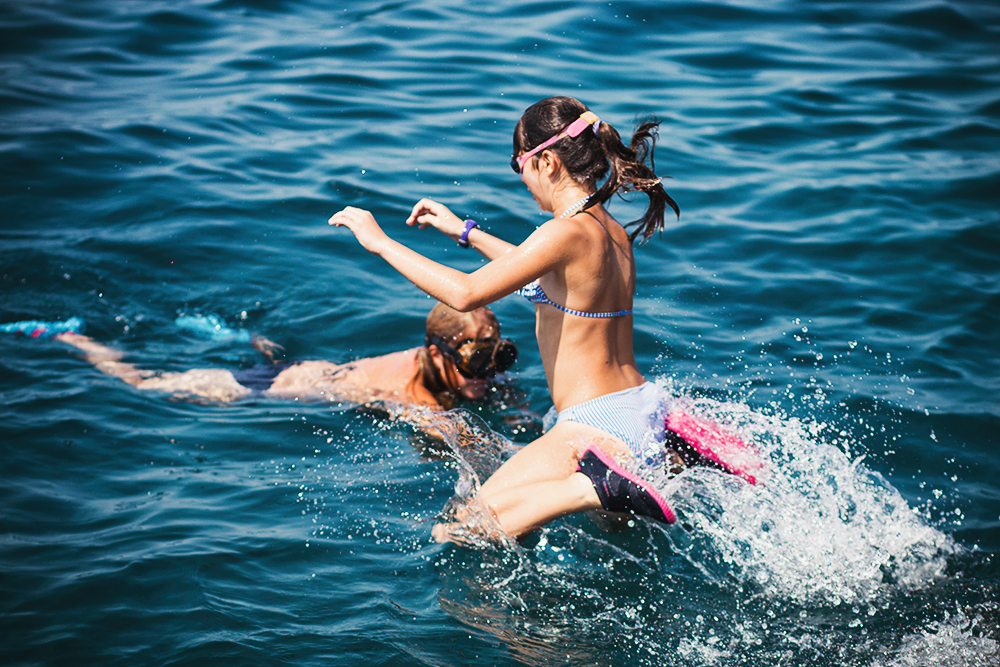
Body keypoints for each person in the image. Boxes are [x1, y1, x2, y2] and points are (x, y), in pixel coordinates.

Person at [329, 95, 694, 544]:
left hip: (595, 425)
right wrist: (465, 232)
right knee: (614, 544)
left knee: (461, 528)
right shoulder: (609, 230)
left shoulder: (563, 231)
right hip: (640, 409)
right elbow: (539, 278)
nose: (520, 178)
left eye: (518, 163)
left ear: (548, 163)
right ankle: (636, 473)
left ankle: (588, 489)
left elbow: (465, 294)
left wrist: (380, 243)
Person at [48, 303, 517, 410]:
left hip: (312, 370)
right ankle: (74, 339)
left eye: (496, 358)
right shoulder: (416, 392)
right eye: (477, 361)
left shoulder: (456, 373)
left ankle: (243, 336)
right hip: (281, 389)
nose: (488, 373)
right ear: (436, 353)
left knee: (267, 353)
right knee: (145, 385)